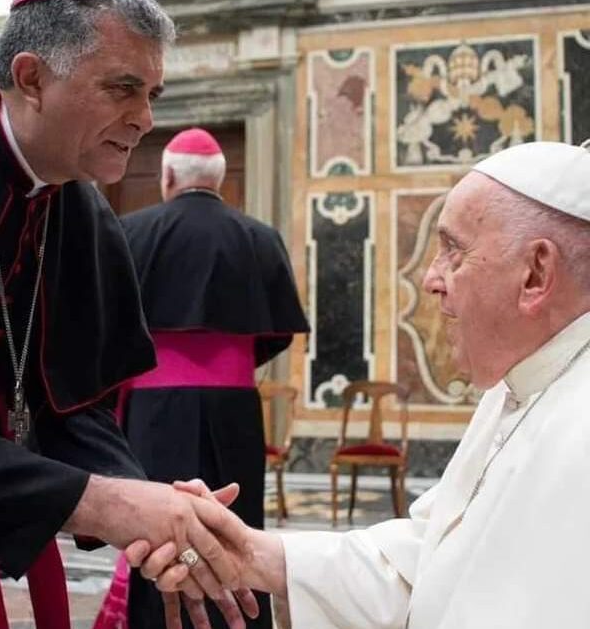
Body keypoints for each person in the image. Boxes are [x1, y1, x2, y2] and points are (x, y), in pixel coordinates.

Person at [0, 0, 248, 629]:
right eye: (123, 89)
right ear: (31, 77)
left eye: (153, 91)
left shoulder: (81, 206)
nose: (146, 118)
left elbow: (74, 407)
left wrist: (140, 498)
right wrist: (94, 500)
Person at [128, 139, 590, 628]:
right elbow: (428, 562)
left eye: (452, 250)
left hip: (155, 410)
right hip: (236, 408)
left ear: (536, 273)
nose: (429, 279)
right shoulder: (513, 390)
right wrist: (256, 555)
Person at [96, 128, 308, 629]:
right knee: (236, 527)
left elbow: (101, 328)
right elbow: (276, 334)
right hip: (234, 410)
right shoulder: (260, 236)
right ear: (220, 179)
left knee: (158, 528)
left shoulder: (129, 232)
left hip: (154, 411)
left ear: (167, 175)